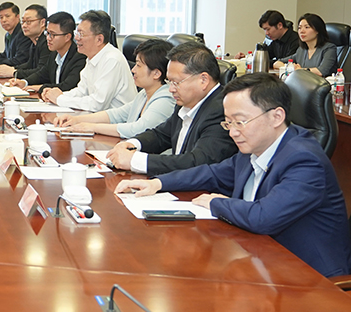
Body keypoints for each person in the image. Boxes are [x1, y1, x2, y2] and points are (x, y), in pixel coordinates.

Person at [115, 73, 351, 278]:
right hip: (261, 260)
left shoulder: (305, 160)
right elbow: (212, 173)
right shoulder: (255, 146)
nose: (233, 132)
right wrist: (158, 183)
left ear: (277, 117)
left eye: (240, 121)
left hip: (310, 279)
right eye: (228, 123)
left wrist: (216, 202)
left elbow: (263, 217)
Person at [105, 41, 237, 175]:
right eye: (170, 82)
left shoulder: (223, 110)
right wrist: (132, 144)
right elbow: (162, 135)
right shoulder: (186, 102)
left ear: (203, 80)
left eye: (176, 82)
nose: (171, 89)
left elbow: (197, 162)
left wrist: (135, 161)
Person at [54, 38, 175, 138]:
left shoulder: (165, 100)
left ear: (156, 73)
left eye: (138, 65)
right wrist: (76, 119)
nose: (133, 70)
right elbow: (116, 114)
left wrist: (92, 127)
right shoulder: (144, 94)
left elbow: (137, 129)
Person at [41, 10, 135, 111]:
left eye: (81, 34)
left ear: (99, 39)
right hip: (98, 116)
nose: (76, 38)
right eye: (77, 33)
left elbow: (98, 104)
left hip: (117, 119)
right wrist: (56, 95)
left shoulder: (112, 60)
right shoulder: (91, 58)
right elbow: (81, 92)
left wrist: (59, 99)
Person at [7, 11, 85, 92]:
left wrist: (41, 87)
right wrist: (24, 82)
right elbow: (42, 74)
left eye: (53, 35)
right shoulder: (54, 54)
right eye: (47, 33)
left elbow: (68, 86)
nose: (48, 38)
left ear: (67, 37)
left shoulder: (79, 57)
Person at [273, 12, 338, 76]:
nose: (302, 31)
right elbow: (277, 63)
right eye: (299, 28)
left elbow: (321, 72)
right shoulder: (301, 50)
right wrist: (290, 67)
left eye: (307, 27)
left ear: (317, 30)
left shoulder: (329, 49)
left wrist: (299, 70)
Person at [0, 4, 48, 79]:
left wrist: (14, 72)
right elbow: (29, 65)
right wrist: (12, 69)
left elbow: (41, 72)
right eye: (23, 21)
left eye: (28, 21)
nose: (24, 26)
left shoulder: (48, 42)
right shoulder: (34, 42)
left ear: (42, 22)